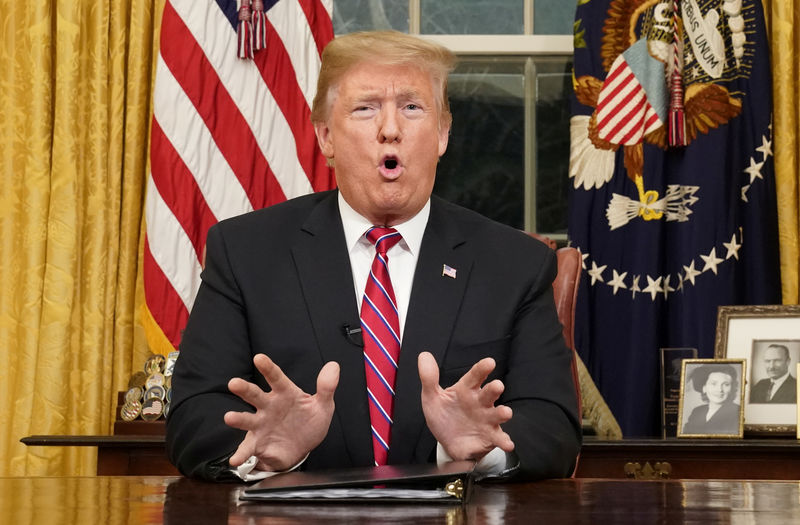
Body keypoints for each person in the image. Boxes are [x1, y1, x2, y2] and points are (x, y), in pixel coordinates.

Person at [166, 30, 581, 482]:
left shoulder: (514, 264)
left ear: (442, 134)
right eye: (365, 108)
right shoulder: (245, 254)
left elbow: (554, 425)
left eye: (411, 107)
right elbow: (193, 416)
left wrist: (480, 452)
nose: (390, 129)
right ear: (325, 136)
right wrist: (261, 453)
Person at [681, 363, 741, 435]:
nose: (720, 390)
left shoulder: (737, 412)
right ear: (704, 388)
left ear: (732, 389)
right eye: (713, 384)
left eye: (726, 384)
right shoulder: (697, 411)